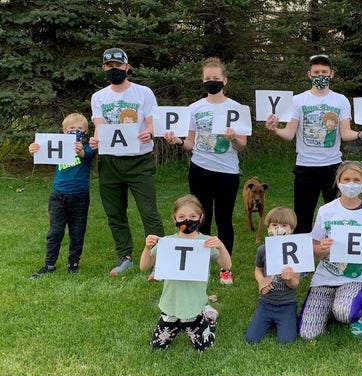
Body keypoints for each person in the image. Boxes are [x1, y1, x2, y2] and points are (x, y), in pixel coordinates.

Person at [265, 54, 362, 234]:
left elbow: (345, 133)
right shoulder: (298, 100)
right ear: (309, 74)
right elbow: (289, 132)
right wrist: (275, 129)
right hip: (305, 167)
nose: (320, 75)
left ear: (332, 74)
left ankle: (336, 252)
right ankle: (303, 257)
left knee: (337, 215)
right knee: (302, 217)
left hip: (333, 167)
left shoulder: (340, 100)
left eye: (324, 72)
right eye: (316, 72)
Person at [164, 57, 245, 285]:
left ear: (225, 80)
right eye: (208, 78)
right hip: (200, 169)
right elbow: (191, 143)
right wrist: (179, 142)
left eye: (216, 78)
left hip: (227, 172)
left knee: (224, 219)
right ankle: (200, 265)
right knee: (201, 218)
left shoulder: (236, 108)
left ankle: (225, 267)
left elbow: (242, 146)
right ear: (203, 80)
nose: (212, 81)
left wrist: (234, 138)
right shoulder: (194, 108)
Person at [89, 47, 165, 276]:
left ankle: (159, 258)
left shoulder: (143, 93)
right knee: (115, 213)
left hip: (139, 161)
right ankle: (125, 256)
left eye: (118, 65)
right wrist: (95, 141)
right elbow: (99, 127)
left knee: (148, 211)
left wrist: (149, 132)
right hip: (110, 163)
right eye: (110, 66)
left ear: (127, 66)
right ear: (104, 68)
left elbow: (153, 122)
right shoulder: (99, 97)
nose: (115, 70)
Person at [298, 161, 362, 339]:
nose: (351, 183)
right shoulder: (326, 210)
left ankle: (353, 315)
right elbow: (315, 248)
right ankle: (330, 306)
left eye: (356, 179)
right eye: (346, 179)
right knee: (307, 333)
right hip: (325, 278)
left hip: (356, 278)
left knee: (345, 313)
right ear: (338, 181)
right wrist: (321, 249)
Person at [139, 194, 231, 351]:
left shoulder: (206, 242)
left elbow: (227, 265)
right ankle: (197, 317)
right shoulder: (167, 242)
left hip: (194, 307)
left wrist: (221, 246)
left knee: (205, 348)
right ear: (174, 219)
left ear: (201, 218)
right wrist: (147, 248)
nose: (187, 220)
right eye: (181, 216)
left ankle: (209, 318)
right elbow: (144, 266)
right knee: (157, 347)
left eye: (192, 216)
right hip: (170, 307)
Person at [29, 113, 95, 278]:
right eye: (71, 128)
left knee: (77, 231)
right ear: (64, 131)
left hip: (80, 196)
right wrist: (33, 150)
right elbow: (42, 152)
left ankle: (73, 264)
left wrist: (80, 151)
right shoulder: (57, 145)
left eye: (79, 128)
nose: (75, 131)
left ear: (85, 131)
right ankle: (49, 264)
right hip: (59, 195)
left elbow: (88, 156)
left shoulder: (87, 147)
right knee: (55, 231)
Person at [245, 207, 300, 344]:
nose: (278, 229)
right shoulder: (262, 250)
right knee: (251, 339)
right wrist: (261, 281)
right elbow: (258, 269)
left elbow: (295, 284)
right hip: (266, 303)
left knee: (287, 341)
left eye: (284, 225)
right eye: (274, 225)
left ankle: (285, 321)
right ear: (268, 227)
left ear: (291, 229)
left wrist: (289, 279)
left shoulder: (296, 252)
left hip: (287, 304)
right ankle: (269, 321)